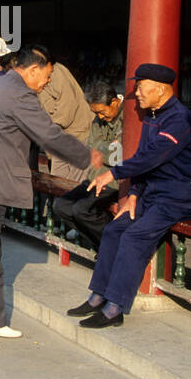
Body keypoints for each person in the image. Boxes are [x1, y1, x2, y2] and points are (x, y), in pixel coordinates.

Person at [0, 47, 101, 350]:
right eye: (45, 77)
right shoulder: (18, 94)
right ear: (31, 71)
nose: (46, 84)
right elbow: (49, 135)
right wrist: (87, 157)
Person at [68, 63, 191, 329]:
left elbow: (151, 157)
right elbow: (146, 164)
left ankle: (115, 307)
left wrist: (113, 174)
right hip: (153, 193)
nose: (137, 93)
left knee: (133, 236)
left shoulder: (179, 118)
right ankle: (98, 296)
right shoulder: (153, 116)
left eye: (141, 87)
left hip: (178, 197)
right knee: (113, 230)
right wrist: (133, 194)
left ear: (161, 89)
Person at [53, 77, 123, 250]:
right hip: (94, 177)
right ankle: (101, 244)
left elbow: (118, 157)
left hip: (114, 180)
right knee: (61, 206)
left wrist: (102, 149)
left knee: (81, 210)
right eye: (96, 113)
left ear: (114, 102)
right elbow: (91, 147)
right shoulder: (99, 119)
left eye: (102, 112)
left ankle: (111, 247)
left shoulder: (127, 117)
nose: (100, 117)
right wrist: (107, 147)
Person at [38, 55, 95, 182]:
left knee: (75, 185)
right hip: (59, 138)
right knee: (58, 182)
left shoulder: (55, 72)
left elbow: (67, 108)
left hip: (77, 134)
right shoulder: (36, 79)